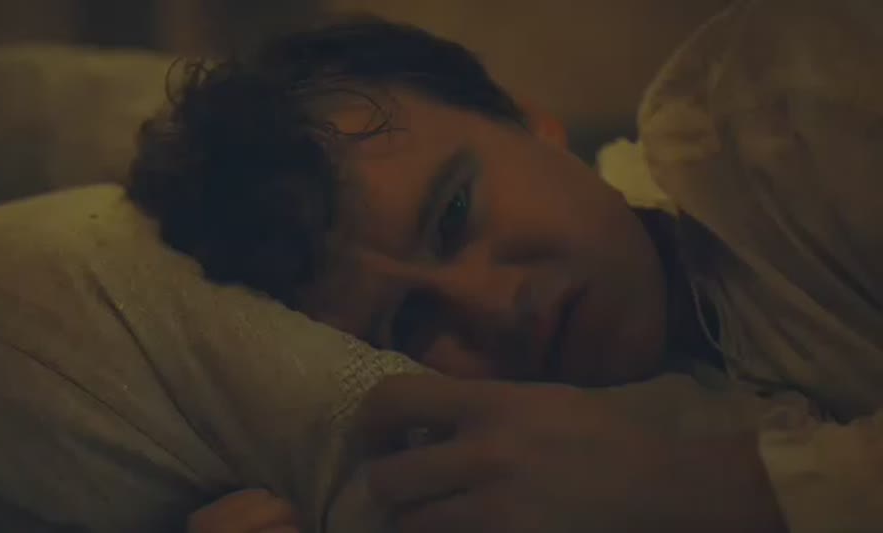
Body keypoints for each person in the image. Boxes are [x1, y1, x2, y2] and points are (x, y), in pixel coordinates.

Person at [127, 1, 883, 531]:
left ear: (529, 119)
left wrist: (725, 491)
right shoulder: (549, 459)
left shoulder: (800, 108)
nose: (492, 303)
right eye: (410, 322)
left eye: (454, 213)